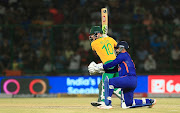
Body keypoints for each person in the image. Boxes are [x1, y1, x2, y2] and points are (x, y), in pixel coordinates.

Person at [90, 41, 156, 109]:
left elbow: (112, 63)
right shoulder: (124, 57)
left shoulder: (122, 55)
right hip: (132, 81)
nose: (116, 50)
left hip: (128, 78)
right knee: (128, 104)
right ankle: (149, 101)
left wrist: (100, 66)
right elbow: (113, 69)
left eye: (117, 48)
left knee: (109, 82)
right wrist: (100, 70)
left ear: (122, 48)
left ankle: (107, 104)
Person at [88, 26, 121, 107]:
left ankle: (104, 102)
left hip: (108, 64)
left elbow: (95, 48)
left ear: (98, 34)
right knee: (115, 86)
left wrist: (103, 39)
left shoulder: (94, 43)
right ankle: (128, 99)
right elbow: (118, 48)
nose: (91, 37)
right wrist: (106, 38)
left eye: (92, 34)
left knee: (105, 83)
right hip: (116, 63)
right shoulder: (110, 39)